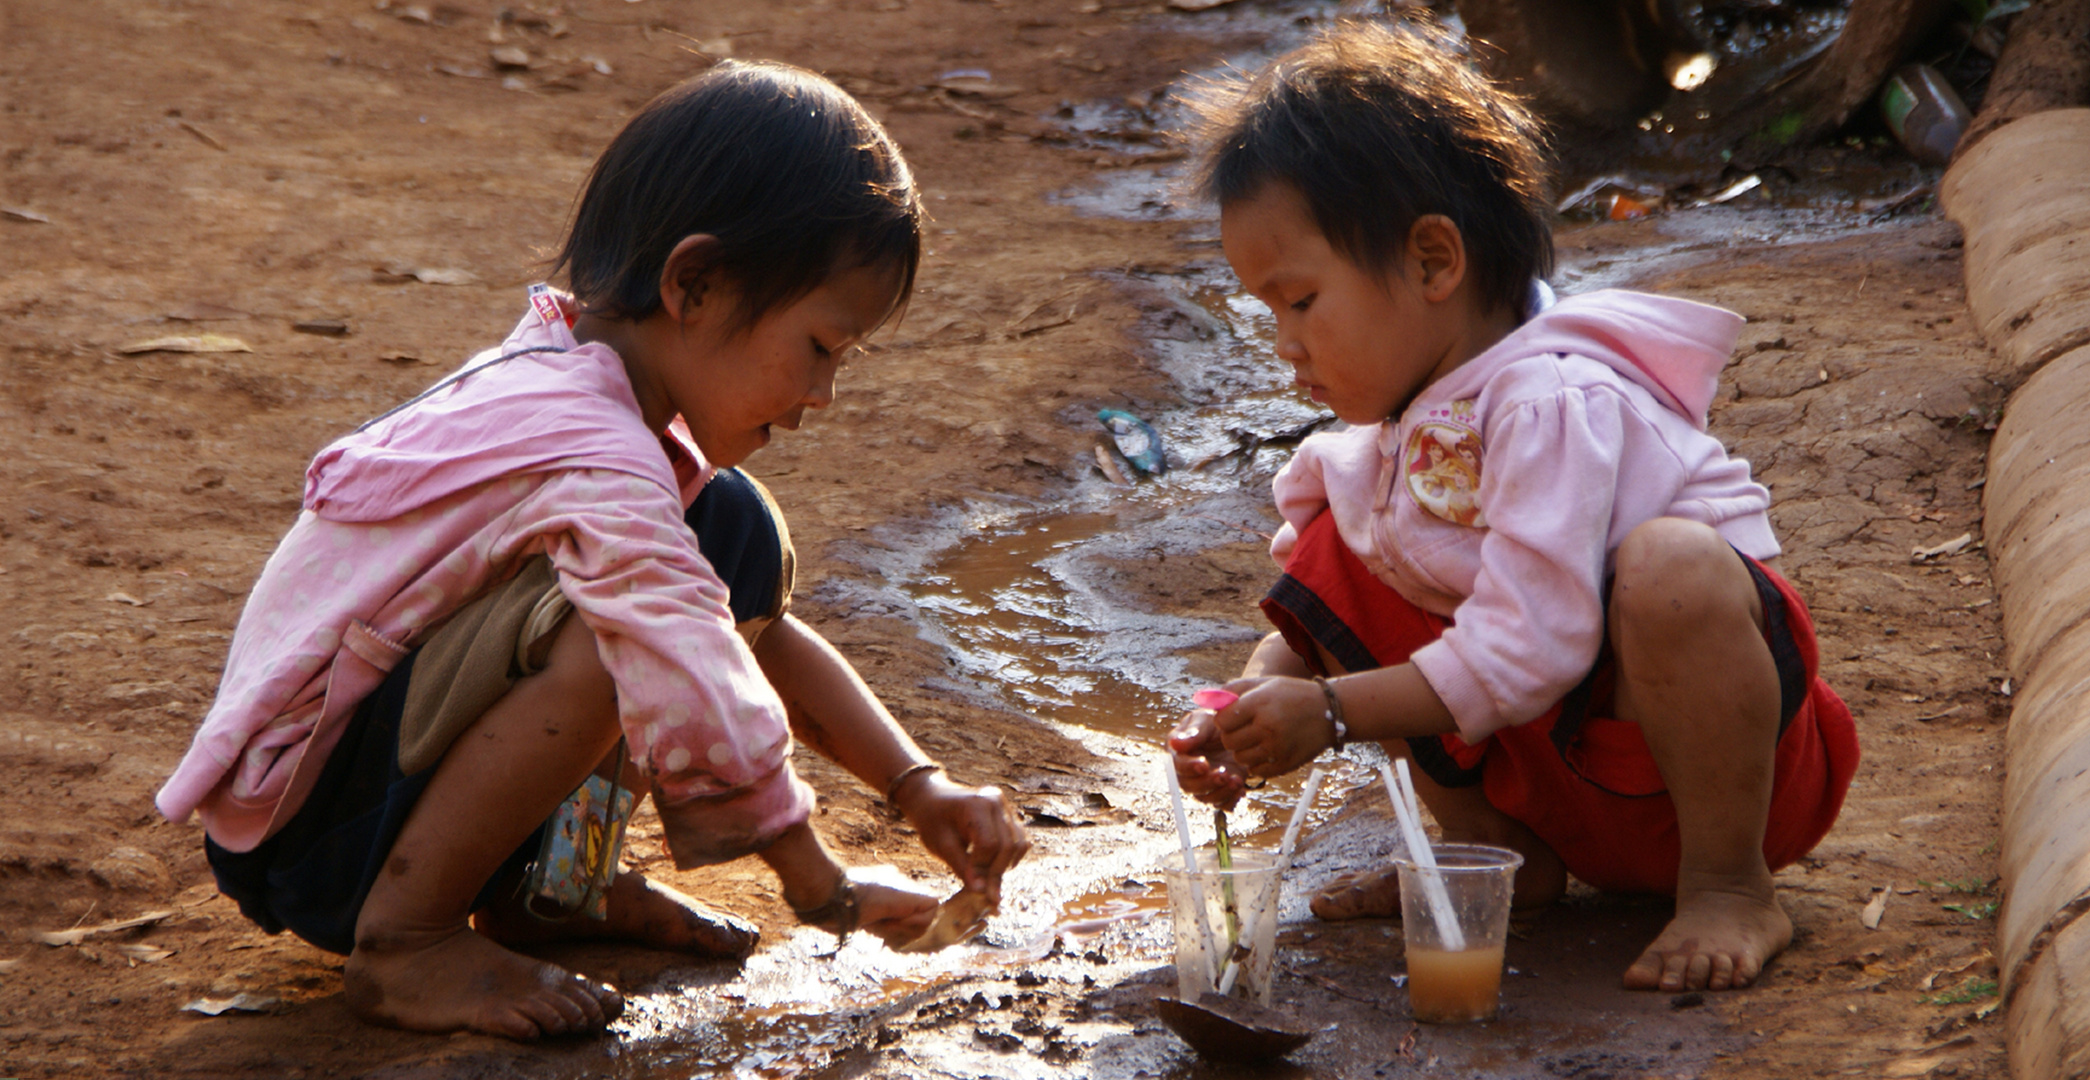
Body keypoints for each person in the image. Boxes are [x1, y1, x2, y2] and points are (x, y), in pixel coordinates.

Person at [154, 61, 1028, 1041]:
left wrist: (918, 786)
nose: (824, 393)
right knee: (625, 634)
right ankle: (407, 942)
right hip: (316, 836)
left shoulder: (598, 394)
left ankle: (557, 890)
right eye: (822, 348)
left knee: (723, 526)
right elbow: (688, 658)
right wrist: (821, 891)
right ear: (693, 284)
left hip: (380, 780)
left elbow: (760, 640)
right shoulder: (587, 443)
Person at [1167, 19, 1858, 994]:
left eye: (1301, 301)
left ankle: (1730, 887)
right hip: (1563, 784)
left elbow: (1531, 644)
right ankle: (1498, 862)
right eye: (1268, 313)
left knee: (1671, 569)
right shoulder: (1387, 437)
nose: (1285, 343)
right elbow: (1317, 627)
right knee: (1332, 555)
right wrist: (1243, 709)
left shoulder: (1551, 400)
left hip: (1711, 780)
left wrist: (1325, 714)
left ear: (1433, 263)